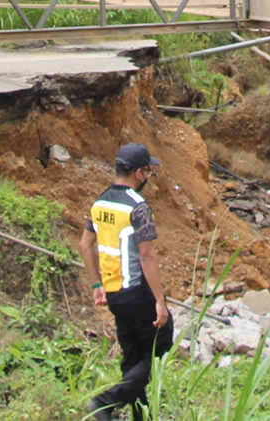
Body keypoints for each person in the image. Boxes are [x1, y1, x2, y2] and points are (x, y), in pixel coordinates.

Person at [79, 143, 173, 421]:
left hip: (113, 295)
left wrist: (97, 286)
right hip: (136, 292)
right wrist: (159, 302)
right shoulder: (138, 207)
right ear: (140, 173)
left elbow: (86, 245)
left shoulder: (100, 203)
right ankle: (105, 402)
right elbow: (147, 257)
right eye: (148, 172)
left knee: (133, 357)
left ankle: (138, 416)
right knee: (160, 347)